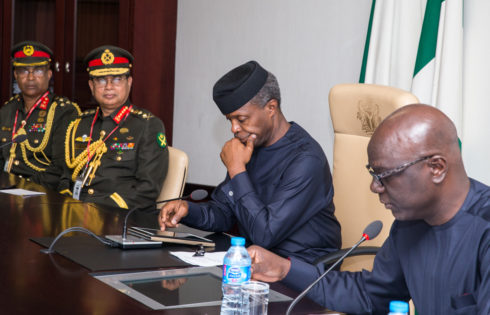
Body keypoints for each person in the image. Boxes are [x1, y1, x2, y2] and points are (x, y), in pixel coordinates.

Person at [247, 104, 490, 315]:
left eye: (384, 176)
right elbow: (370, 295)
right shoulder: (409, 225)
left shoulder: (484, 229)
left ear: (436, 168)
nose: (374, 187)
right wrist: (285, 269)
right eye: (373, 174)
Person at [159, 60, 340, 263]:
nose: (234, 129)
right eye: (230, 120)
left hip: (302, 270)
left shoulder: (306, 159)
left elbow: (264, 234)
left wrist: (236, 168)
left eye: (241, 119)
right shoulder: (250, 145)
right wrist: (188, 210)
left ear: (271, 107)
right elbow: (224, 213)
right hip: (255, 262)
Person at [57, 45, 168, 210]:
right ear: (91, 86)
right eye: (101, 80)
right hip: (75, 213)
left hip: (120, 217)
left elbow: (147, 188)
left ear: (129, 82)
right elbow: (66, 177)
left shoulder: (147, 125)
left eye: (116, 79)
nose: (108, 86)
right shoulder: (79, 124)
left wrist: (95, 210)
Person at [0, 41, 80, 189]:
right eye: (24, 71)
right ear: (16, 75)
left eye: (37, 71)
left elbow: (60, 168)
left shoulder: (64, 111)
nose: (30, 77)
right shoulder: (7, 110)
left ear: (49, 74)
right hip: (8, 189)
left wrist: (21, 187)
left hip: (43, 192)